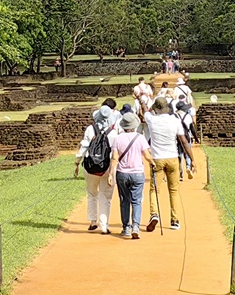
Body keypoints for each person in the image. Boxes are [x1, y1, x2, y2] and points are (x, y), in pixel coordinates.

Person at [143, 96, 190, 231]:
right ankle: (174, 220)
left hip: (157, 158)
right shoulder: (174, 120)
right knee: (173, 191)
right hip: (173, 158)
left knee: (154, 190)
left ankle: (154, 214)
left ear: (156, 108)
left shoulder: (151, 119)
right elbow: (184, 141)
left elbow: (145, 110)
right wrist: (191, 159)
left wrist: (148, 105)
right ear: (167, 108)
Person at [73, 99, 119, 233]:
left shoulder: (90, 129)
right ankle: (104, 226)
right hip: (107, 167)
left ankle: (93, 221)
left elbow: (84, 147)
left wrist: (77, 162)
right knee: (106, 196)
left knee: (92, 194)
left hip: (90, 166)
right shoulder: (114, 132)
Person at [110, 111, 154, 239]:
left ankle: (126, 228)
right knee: (136, 201)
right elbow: (146, 155)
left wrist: (110, 174)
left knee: (124, 201)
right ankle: (135, 226)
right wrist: (152, 163)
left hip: (122, 173)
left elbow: (114, 157)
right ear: (134, 125)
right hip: (137, 173)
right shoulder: (140, 138)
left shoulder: (117, 138)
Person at [175, 99, 196, 180]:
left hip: (176, 139)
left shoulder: (174, 116)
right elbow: (192, 128)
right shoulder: (188, 116)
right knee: (187, 154)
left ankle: (180, 173)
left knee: (179, 155)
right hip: (186, 137)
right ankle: (188, 167)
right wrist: (196, 138)